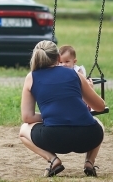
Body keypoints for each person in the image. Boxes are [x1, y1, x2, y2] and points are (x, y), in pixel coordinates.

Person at [19, 40, 106, 177]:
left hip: (54, 138)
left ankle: (53, 160)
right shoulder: (76, 75)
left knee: (23, 130)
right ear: (58, 58)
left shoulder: (31, 77)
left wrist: (51, 116)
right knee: (98, 123)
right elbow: (100, 107)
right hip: (89, 137)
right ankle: (89, 162)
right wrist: (90, 88)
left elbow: (27, 117)